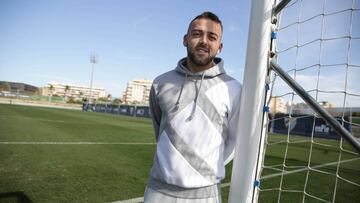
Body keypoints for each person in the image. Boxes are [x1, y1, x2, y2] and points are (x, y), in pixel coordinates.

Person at [144, 11, 242, 203]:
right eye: (197, 34)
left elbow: (234, 143)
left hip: (205, 196)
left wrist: (202, 173)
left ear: (219, 47)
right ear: (185, 39)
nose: (204, 41)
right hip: (158, 193)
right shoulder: (161, 83)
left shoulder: (234, 89)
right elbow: (160, 130)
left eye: (212, 37)